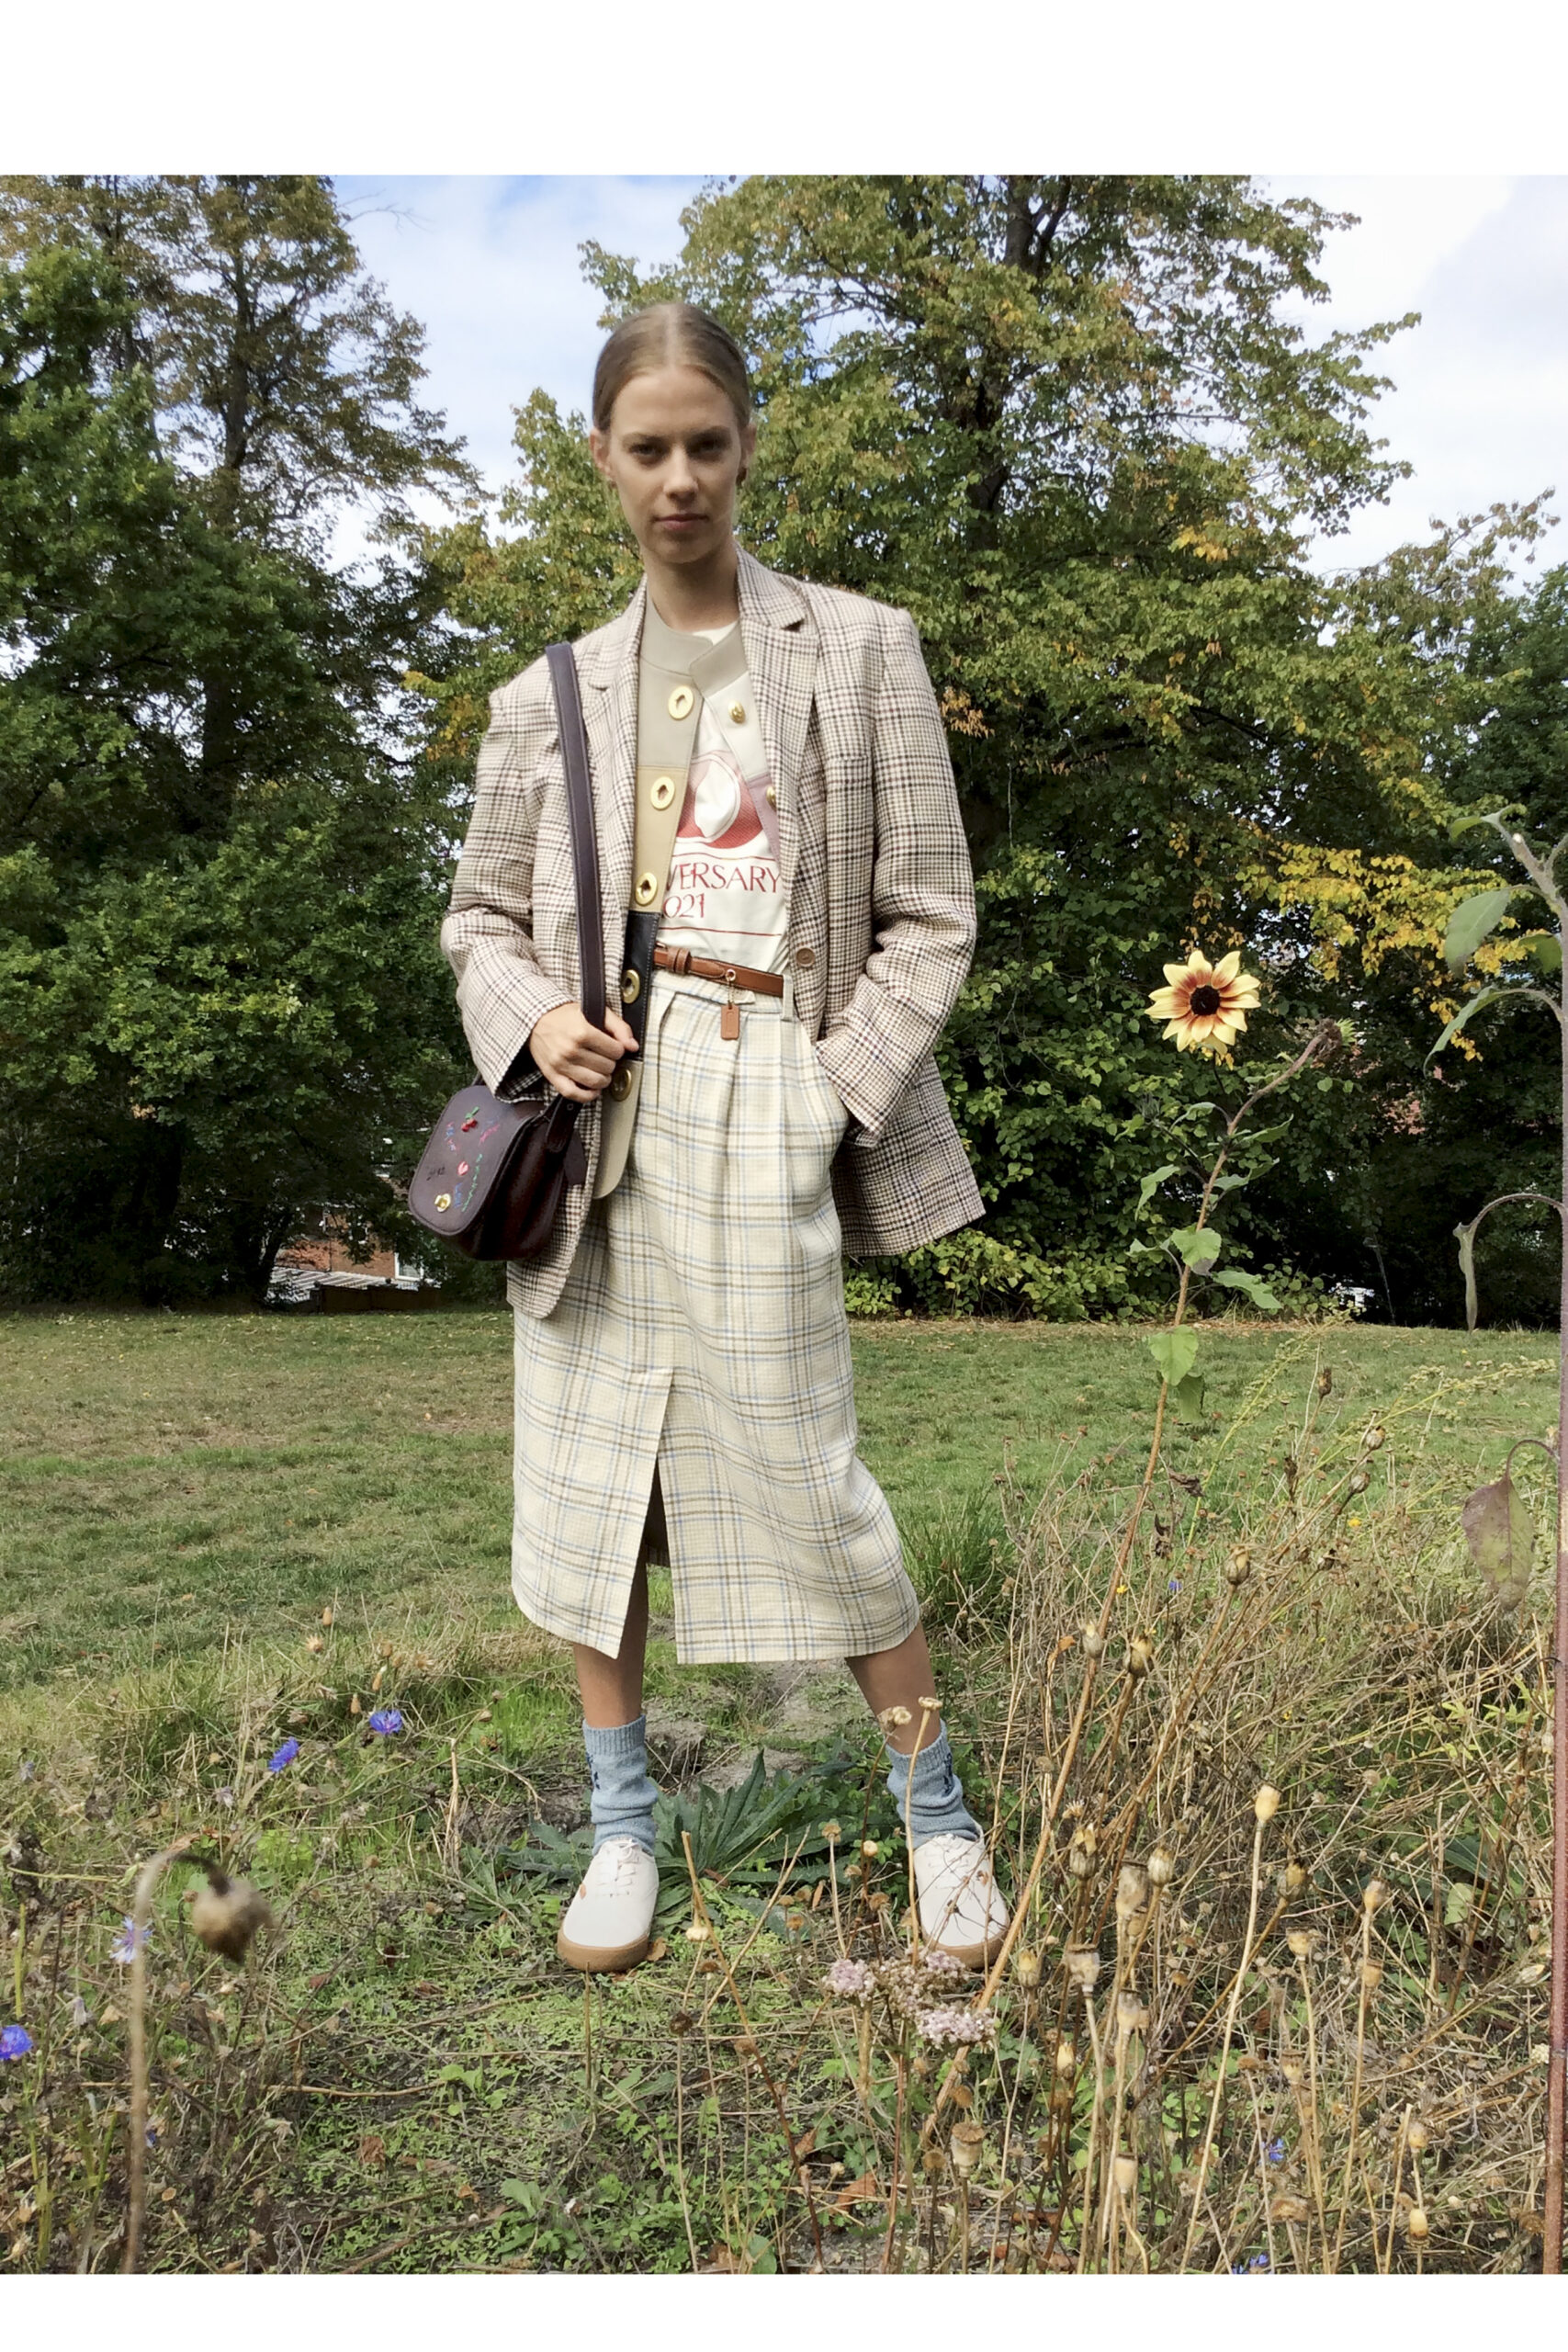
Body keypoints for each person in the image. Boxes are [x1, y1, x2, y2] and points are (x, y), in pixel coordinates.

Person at [441, 300, 1010, 1976]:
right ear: (602, 461)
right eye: (648, 448)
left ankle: (937, 1820)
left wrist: (827, 1093)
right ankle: (622, 1828)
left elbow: (934, 916)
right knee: (586, 1487)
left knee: (806, 1469)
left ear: (748, 445)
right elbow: (478, 918)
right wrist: (532, 1021)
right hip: (593, 1126)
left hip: (775, 1082)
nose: (679, 477)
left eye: (705, 443)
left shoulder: (863, 647)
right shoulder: (545, 695)